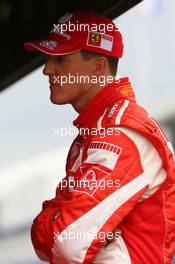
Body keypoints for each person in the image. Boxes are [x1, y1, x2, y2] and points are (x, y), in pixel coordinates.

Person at [24, 10, 175, 264]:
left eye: (60, 60)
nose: (47, 70)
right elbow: (49, 243)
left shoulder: (119, 134)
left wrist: (55, 218)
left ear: (96, 68)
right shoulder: (95, 132)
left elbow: (68, 244)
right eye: (48, 58)